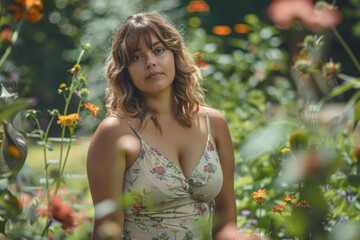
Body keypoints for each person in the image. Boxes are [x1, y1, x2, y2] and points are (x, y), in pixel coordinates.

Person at [87, 11, 238, 240]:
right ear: (125, 70)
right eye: (136, 57)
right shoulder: (115, 132)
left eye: (158, 50)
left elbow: (226, 211)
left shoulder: (213, 123)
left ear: (174, 55)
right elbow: (107, 227)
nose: (150, 63)